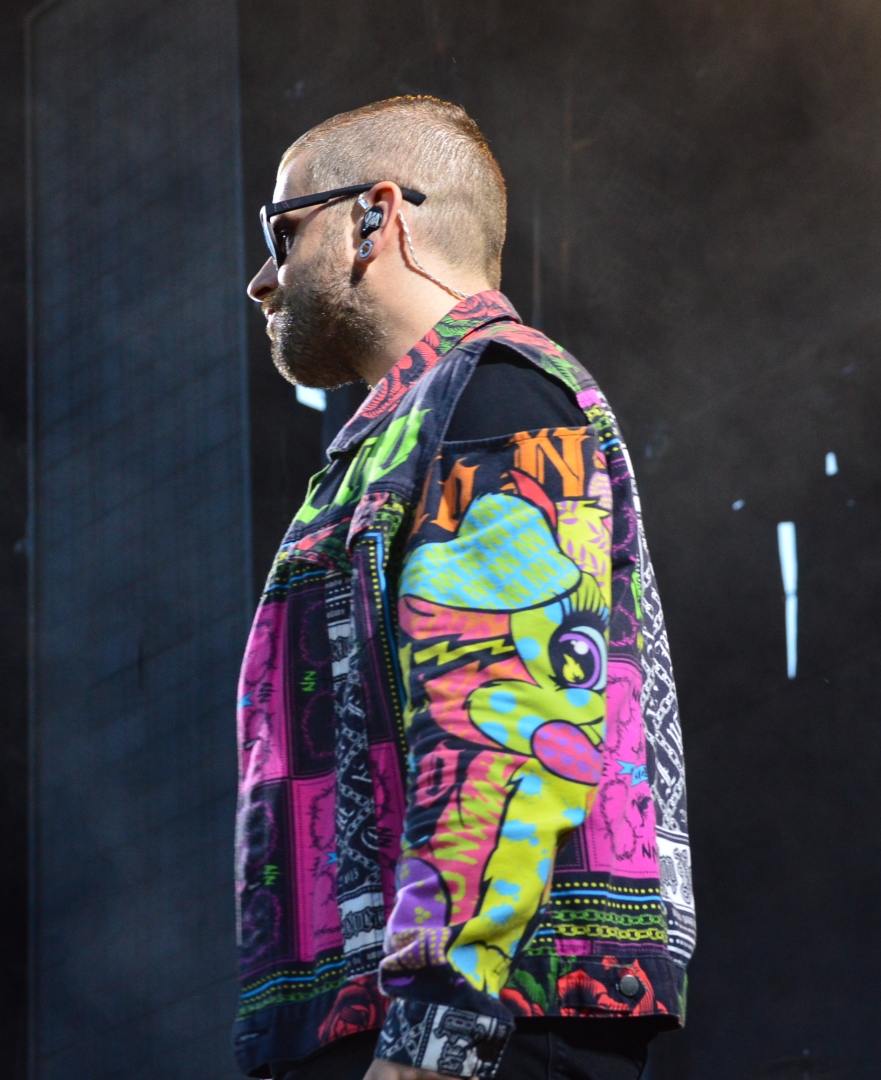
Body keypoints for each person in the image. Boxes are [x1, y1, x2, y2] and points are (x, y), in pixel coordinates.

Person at [235, 97, 695, 1080]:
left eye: (282, 233)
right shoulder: (394, 438)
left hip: (475, 1038)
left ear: (376, 214)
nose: (260, 280)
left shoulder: (493, 392)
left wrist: (429, 1047)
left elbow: (512, 731)